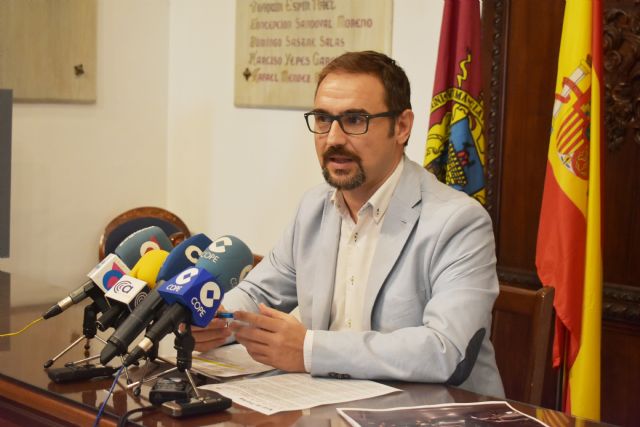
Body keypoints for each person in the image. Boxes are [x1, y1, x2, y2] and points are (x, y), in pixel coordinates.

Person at [193, 51, 504, 397]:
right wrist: (216, 319)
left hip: (433, 411)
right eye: (323, 119)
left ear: (401, 127)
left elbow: (447, 350)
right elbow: (258, 293)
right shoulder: (313, 207)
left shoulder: (458, 221)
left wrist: (310, 350)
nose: (333, 138)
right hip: (329, 403)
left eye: (355, 120)